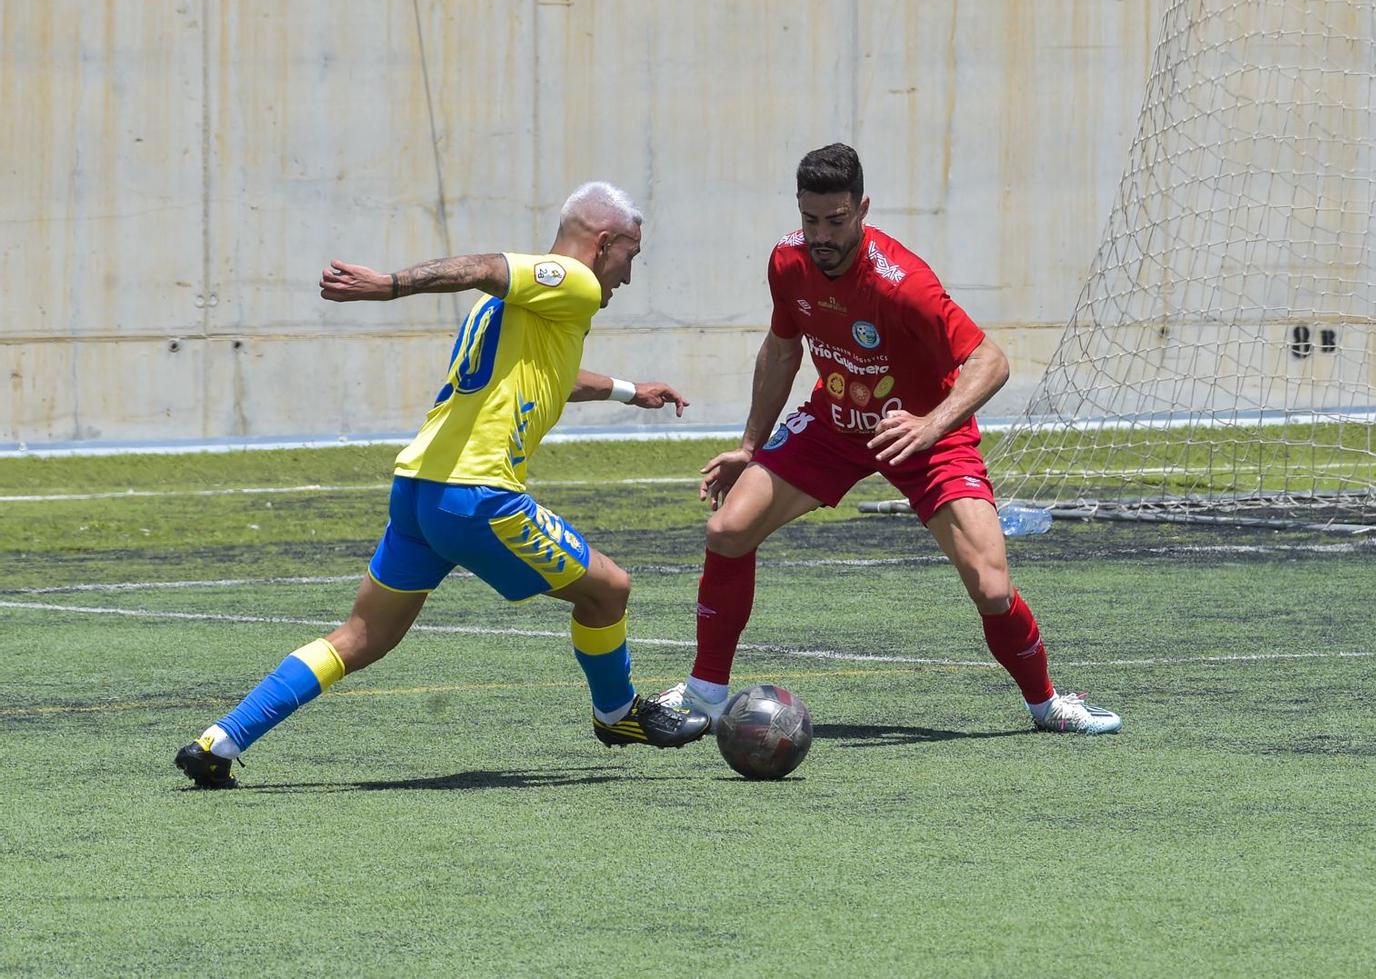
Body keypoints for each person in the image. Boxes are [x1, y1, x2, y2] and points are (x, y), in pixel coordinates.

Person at [175, 182, 708, 789]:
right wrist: (389, 286)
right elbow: (482, 266)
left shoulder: (526, 306)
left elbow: (551, 374)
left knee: (359, 637)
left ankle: (220, 740)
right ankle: (618, 715)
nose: (628, 277)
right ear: (605, 242)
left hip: (419, 489)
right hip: (477, 496)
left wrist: (627, 390)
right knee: (609, 589)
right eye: (631, 257)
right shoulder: (573, 280)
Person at [652, 144, 1121, 734]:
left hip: (925, 434)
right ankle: (706, 693)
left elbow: (990, 361)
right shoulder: (786, 262)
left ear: (862, 208)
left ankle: (1048, 702)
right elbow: (781, 349)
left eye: (836, 220)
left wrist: (932, 424)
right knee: (727, 528)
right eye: (810, 220)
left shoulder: (904, 284)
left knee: (990, 585)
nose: (821, 235)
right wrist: (750, 445)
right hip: (834, 424)